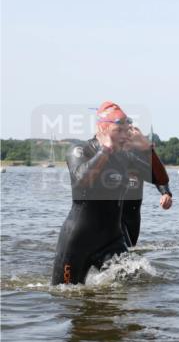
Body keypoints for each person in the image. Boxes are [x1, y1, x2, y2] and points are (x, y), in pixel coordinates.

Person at [51, 102, 164, 284]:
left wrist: (148, 149)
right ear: (103, 129)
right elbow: (82, 180)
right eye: (119, 130)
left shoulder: (125, 157)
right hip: (77, 242)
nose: (125, 135)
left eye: (126, 130)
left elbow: (161, 178)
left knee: (139, 283)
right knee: (66, 296)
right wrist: (106, 150)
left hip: (111, 241)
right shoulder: (80, 150)